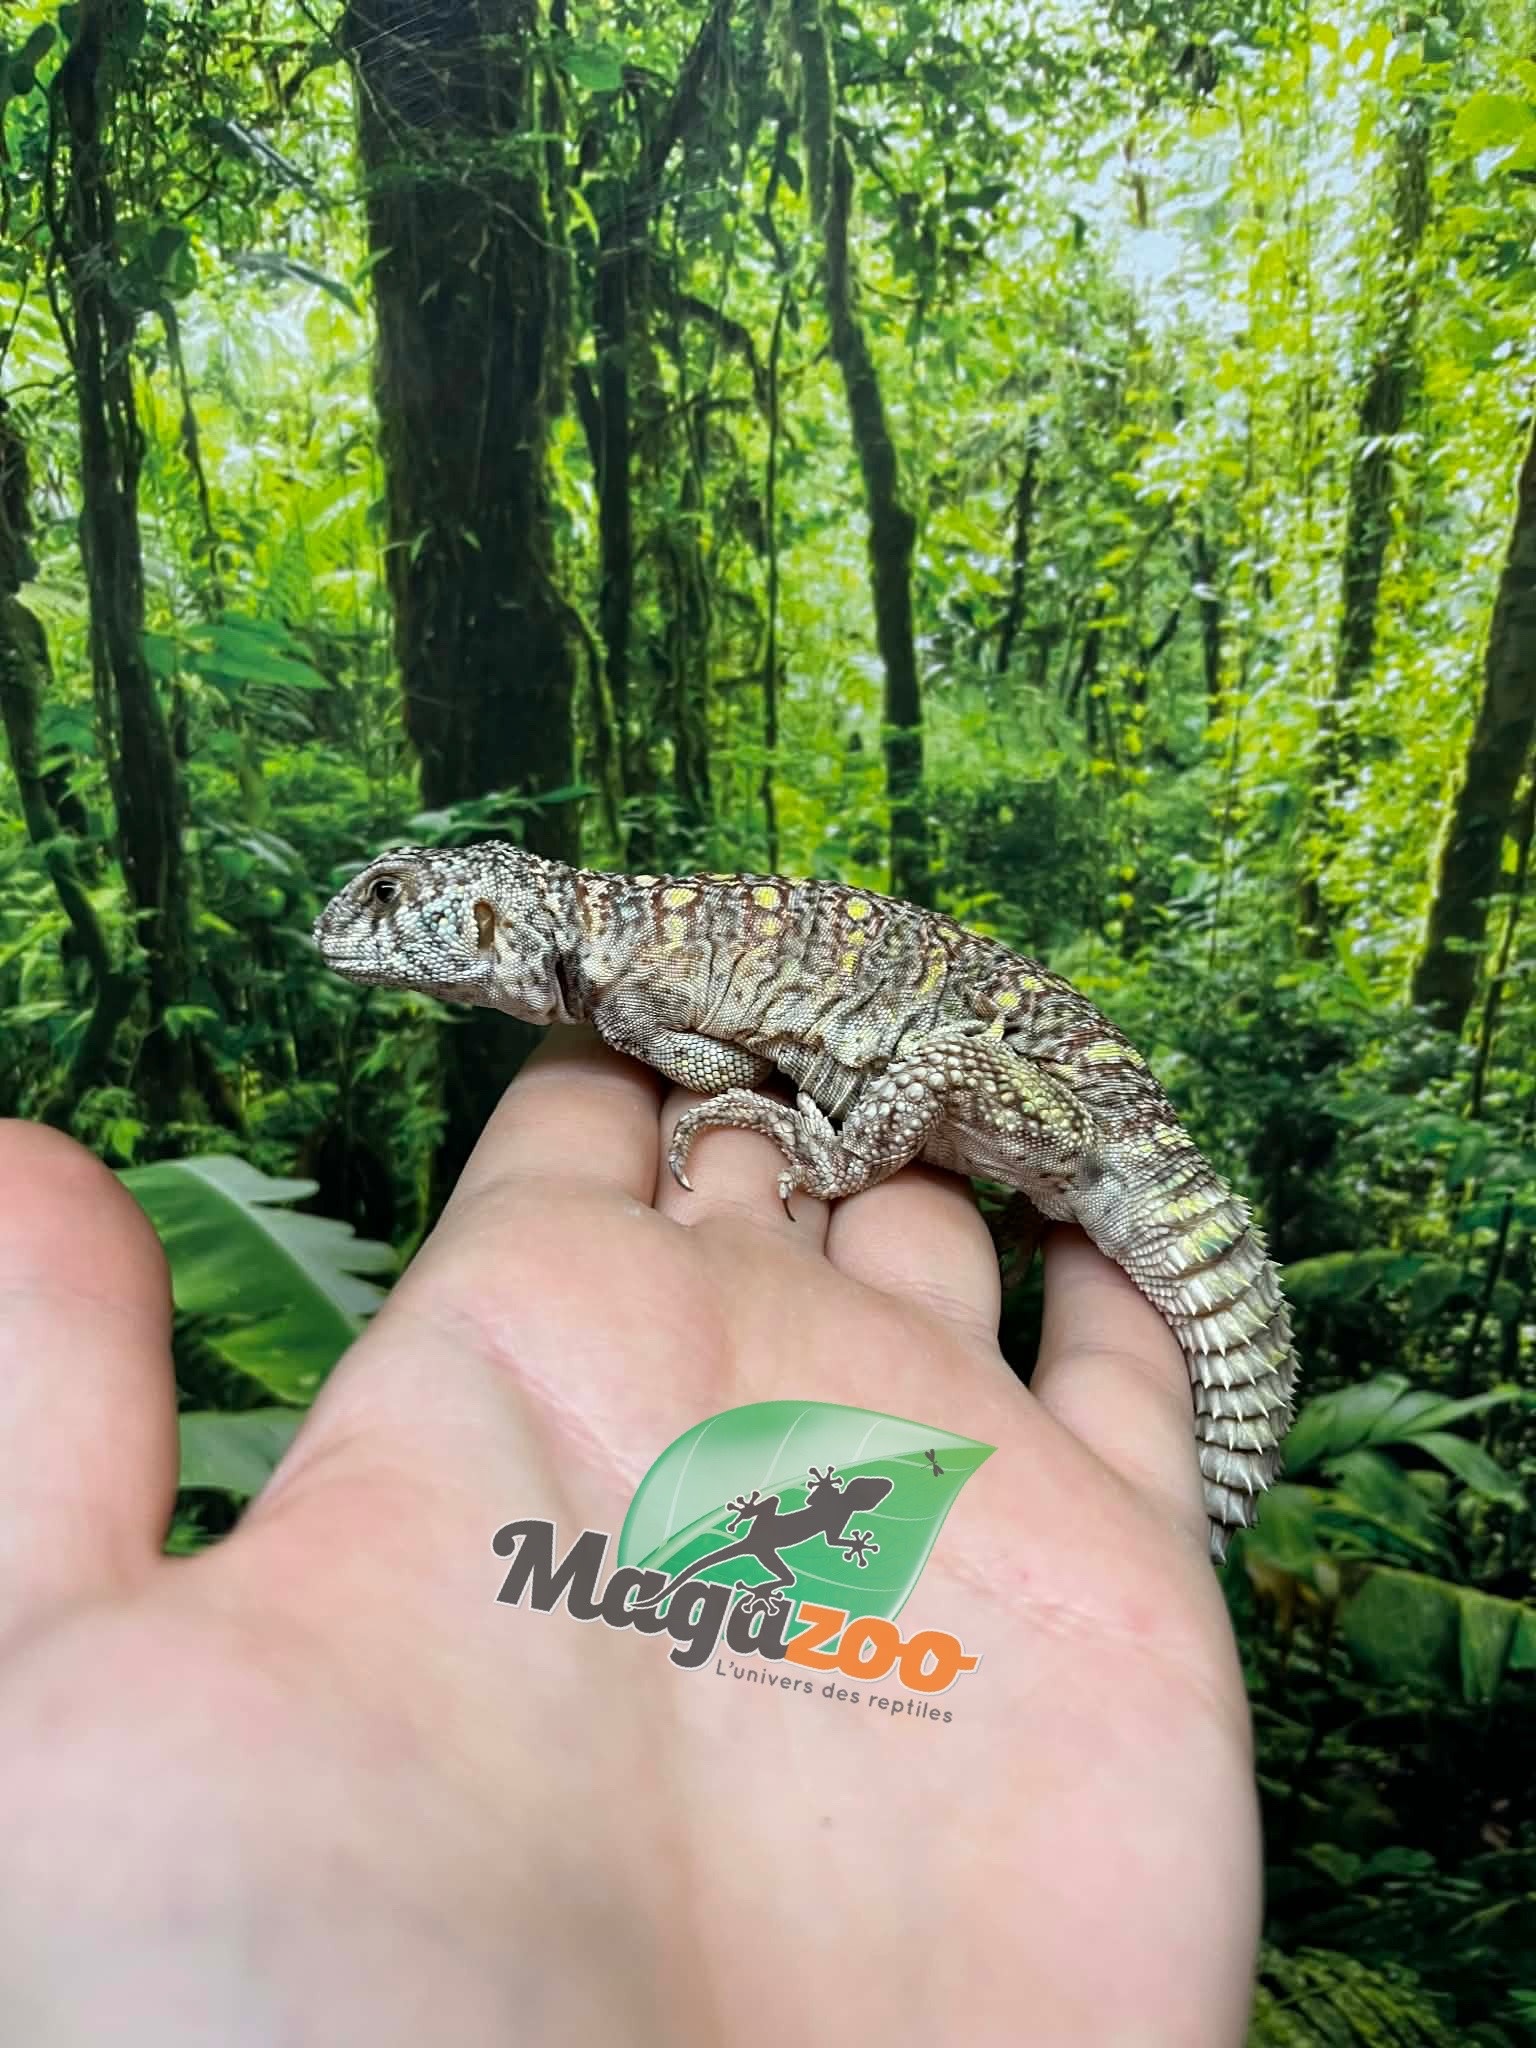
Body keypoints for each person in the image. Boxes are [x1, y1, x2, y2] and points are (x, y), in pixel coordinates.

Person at [0, 1029, 1260, 2045]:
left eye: (398, 906)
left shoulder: (640, 997)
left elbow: (753, 1071)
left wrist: (828, 1150)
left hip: (1083, 1128)